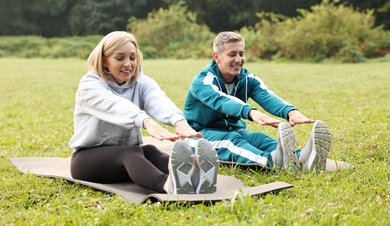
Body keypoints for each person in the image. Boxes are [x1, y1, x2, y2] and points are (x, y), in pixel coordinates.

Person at [68, 31, 218, 194]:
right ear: (104, 61)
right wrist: (145, 121)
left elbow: (156, 98)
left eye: (132, 58)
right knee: (131, 152)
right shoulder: (89, 85)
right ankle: (167, 185)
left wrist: (177, 121)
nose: (128, 64)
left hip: (121, 159)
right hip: (87, 161)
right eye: (120, 58)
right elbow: (114, 105)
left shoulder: (140, 81)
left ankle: (194, 174)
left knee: (149, 151)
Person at [183, 31, 331, 171]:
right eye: (232, 54)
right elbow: (221, 101)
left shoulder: (247, 78)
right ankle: (274, 162)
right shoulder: (203, 81)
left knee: (259, 139)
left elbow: (266, 95)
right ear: (216, 56)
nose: (239, 59)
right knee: (231, 141)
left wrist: (291, 112)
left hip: (234, 129)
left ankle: (302, 158)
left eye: (241, 54)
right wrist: (250, 112)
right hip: (199, 135)